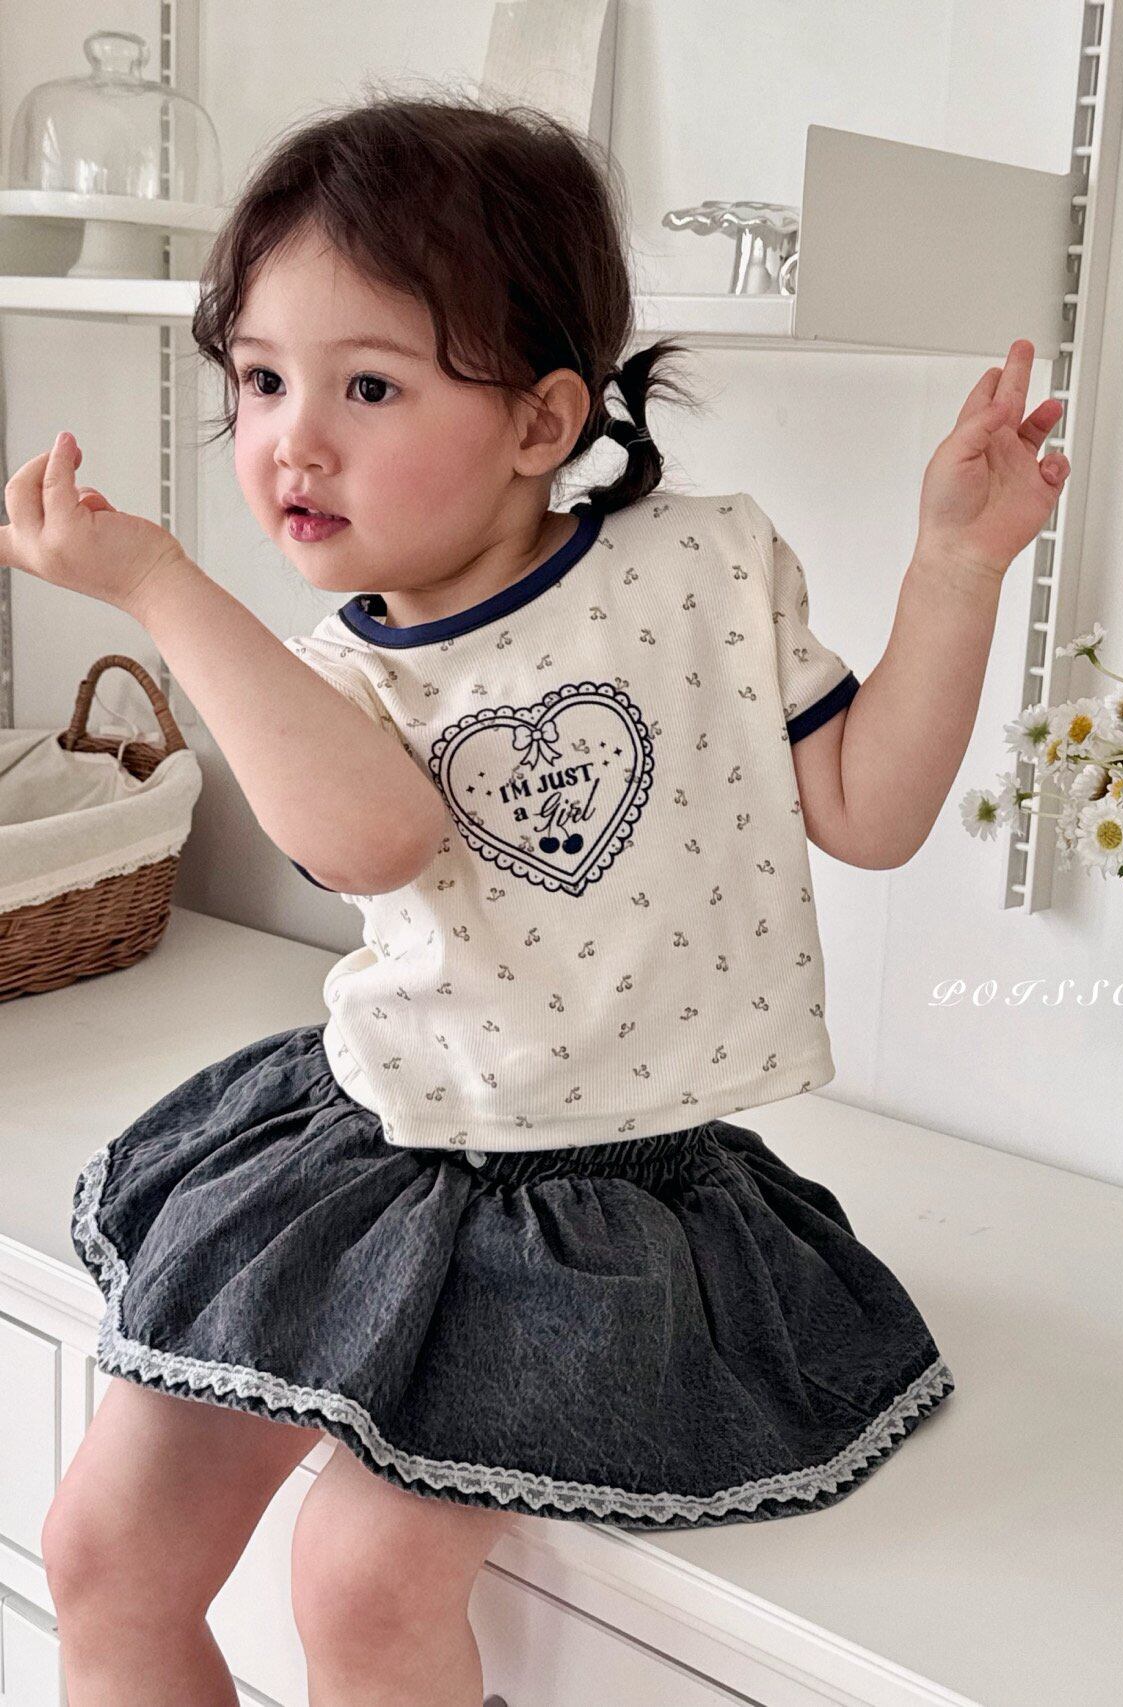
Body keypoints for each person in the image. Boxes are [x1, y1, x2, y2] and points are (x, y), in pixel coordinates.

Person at [1, 90, 1068, 1707]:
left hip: (600, 1214)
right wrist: (159, 585)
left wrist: (956, 572)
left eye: (370, 384)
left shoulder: (703, 572)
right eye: (262, 380)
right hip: (370, 1156)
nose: (292, 438)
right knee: (99, 1550)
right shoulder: (328, 672)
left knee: (361, 1583)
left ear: (542, 420)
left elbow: (871, 809)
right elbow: (369, 835)